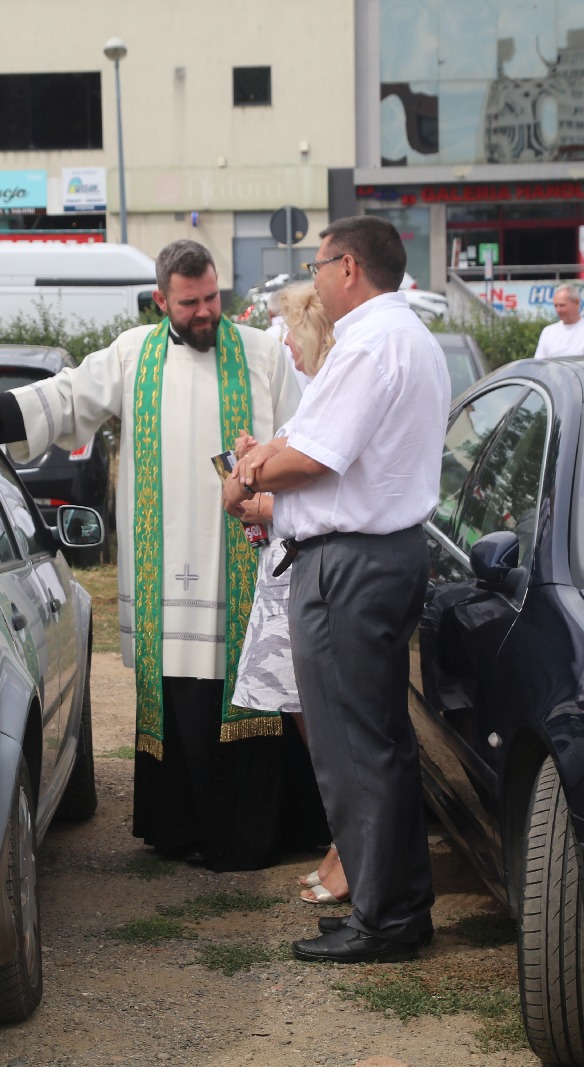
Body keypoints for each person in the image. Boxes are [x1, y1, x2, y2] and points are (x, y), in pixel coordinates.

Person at [0, 240, 305, 873]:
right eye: (190, 303)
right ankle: (179, 828)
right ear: (162, 301)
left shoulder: (266, 356)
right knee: (183, 693)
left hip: (245, 555)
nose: (206, 312)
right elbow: (64, 399)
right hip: (167, 570)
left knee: (253, 689)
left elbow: (306, 435)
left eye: (212, 298)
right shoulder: (134, 355)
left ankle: (250, 835)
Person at [226, 216, 448, 964]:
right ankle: (398, 905)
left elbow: (316, 457)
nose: (314, 280)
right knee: (377, 743)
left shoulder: (369, 339)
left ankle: (383, 917)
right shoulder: (403, 334)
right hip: (373, 554)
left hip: (350, 561)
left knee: (355, 747)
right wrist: (272, 458)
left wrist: (251, 470)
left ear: (348, 267)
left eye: (318, 265)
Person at [226, 284, 343, 906]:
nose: (289, 352)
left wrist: (249, 491)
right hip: (287, 563)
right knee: (306, 713)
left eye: (294, 338)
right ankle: (341, 836)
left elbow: (320, 496)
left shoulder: (336, 392)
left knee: (323, 715)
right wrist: (256, 457)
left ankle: (348, 844)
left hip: (307, 565)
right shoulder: (320, 391)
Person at [532, 285, 584, 358]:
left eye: (562, 305)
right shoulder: (548, 331)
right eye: (556, 306)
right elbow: (539, 363)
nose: (558, 310)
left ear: (577, 303)